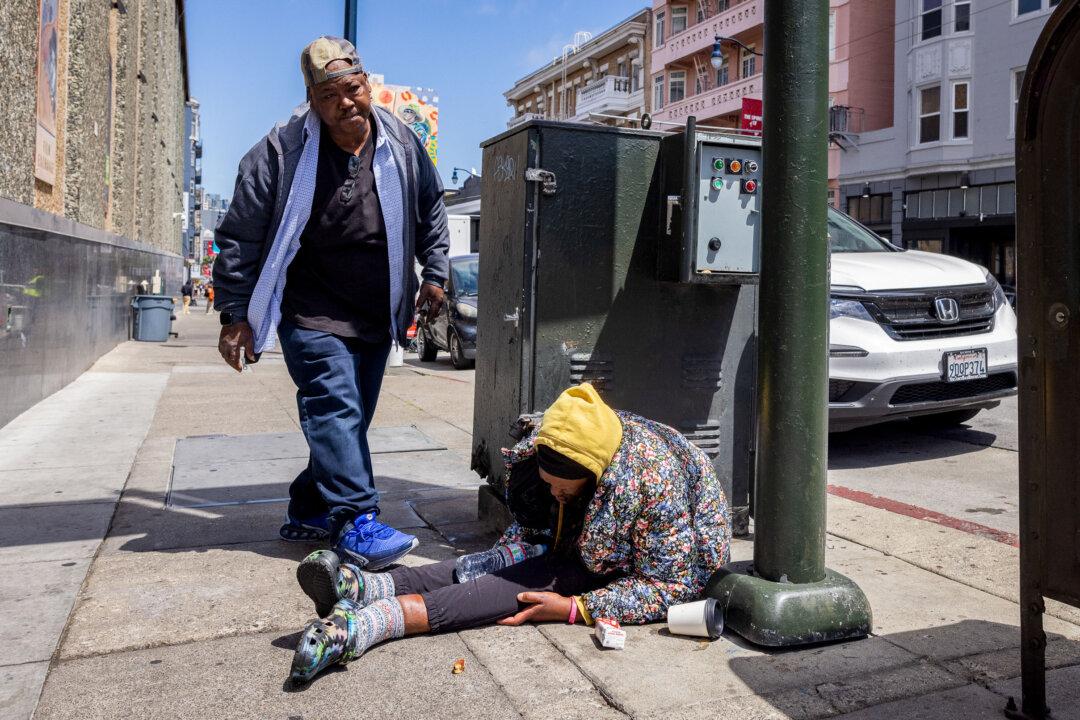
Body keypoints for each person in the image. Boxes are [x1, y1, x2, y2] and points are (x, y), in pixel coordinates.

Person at [286, 383, 731, 684]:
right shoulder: (566, 440)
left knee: (526, 585)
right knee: (500, 561)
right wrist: (515, 546)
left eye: (563, 489)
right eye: (549, 485)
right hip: (601, 528)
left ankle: (361, 627)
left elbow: (672, 584)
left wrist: (576, 608)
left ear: (594, 476)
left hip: (651, 563)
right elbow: (542, 513)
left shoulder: (652, 485)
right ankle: (366, 587)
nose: (554, 495)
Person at [212, 36, 449, 569]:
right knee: (334, 407)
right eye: (329, 96)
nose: (345, 103)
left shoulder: (402, 144)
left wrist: (434, 273)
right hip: (309, 311)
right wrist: (234, 314)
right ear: (312, 101)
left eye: (353, 89)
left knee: (348, 423)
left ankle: (309, 505)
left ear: (368, 85)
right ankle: (356, 521)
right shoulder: (279, 153)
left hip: (376, 311)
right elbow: (239, 236)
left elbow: (430, 208)